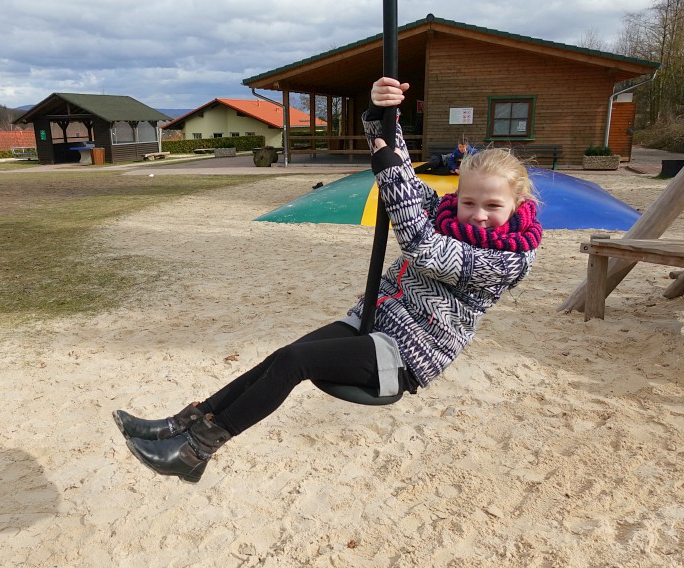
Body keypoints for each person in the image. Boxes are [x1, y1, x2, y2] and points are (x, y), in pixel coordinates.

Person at [113, 77, 543, 483]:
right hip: (372, 321)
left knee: (293, 364)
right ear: (456, 194)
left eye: (492, 204)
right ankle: (182, 425)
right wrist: (381, 109)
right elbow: (403, 174)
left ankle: (193, 453)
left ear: (517, 202)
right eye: (468, 200)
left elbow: (422, 248)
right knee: (283, 355)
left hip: (405, 355)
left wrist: (389, 173)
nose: (478, 213)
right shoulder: (445, 214)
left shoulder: (508, 258)